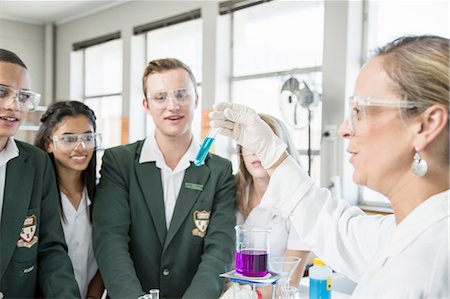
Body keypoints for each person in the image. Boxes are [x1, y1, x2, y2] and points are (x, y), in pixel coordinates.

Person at [210, 35, 449, 297]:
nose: (344, 129)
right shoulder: (402, 232)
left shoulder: (435, 259)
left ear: (426, 125)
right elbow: (331, 225)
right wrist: (272, 154)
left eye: (360, 110)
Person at [93, 58, 236, 298]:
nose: (173, 106)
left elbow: (219, 251)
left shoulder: (219, 171)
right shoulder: (120, 162)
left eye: (182, 95)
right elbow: (111, 243)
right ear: (146, 104)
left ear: (196, 99)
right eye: (160, 97)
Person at [0, 49, 80, 297]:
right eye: (1, 92)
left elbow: (49, 248)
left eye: (23, 96)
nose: (14, 105)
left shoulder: (36, 163)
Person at [34, 101, 104, 299]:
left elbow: (109, 252)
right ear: (49, 144)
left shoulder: (102, 194)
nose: (81, 148)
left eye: (88, 138)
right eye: (69, 139)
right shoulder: (35, 196)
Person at [235, 114, 310, 297]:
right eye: (249, 142)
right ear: (240, 151)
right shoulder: (228, 190)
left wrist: (253, 296)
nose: (255, 150)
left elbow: (289, 282)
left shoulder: (301, 201)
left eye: (265, 142)